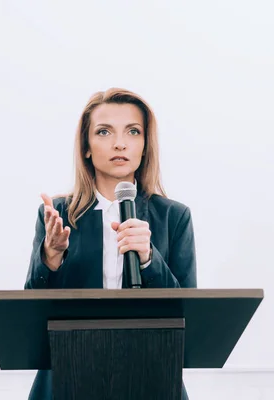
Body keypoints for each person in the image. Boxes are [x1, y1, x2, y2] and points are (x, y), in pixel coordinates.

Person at [24, 88, 197, 400]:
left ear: (145, 146)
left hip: (151, 376)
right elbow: (29, 319)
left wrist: (148, 259)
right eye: (104, 132)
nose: (120, 143)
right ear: (87, 147)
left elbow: (188, 320)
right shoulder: (57, 214)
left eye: (133, 131)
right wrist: (50, 256)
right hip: (69, 376)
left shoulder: (173, 217)